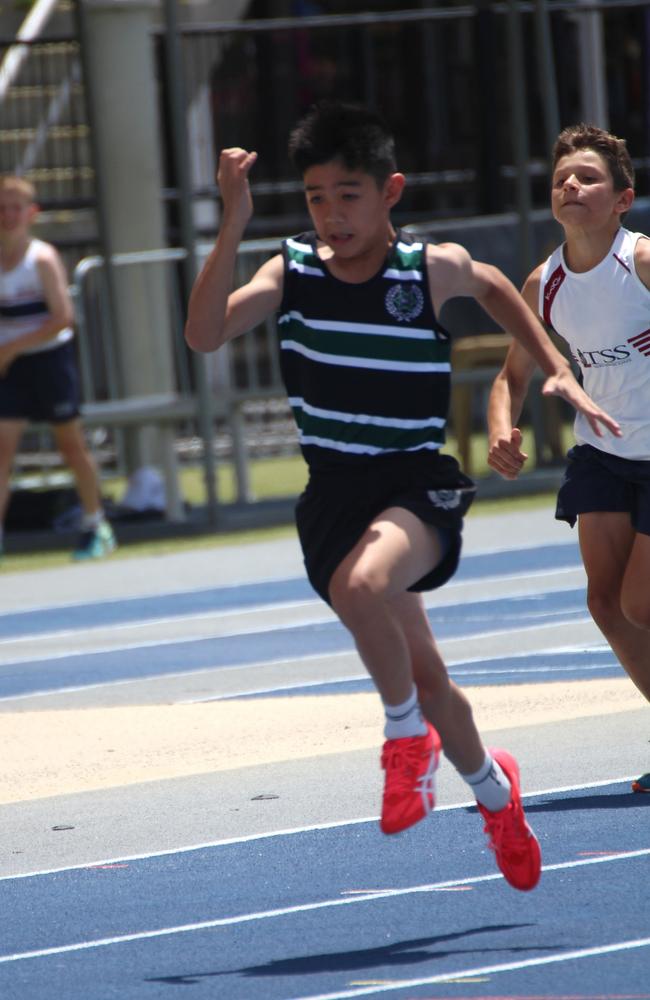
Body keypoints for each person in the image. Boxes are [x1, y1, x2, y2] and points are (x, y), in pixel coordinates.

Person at [185, 102, 615, 891]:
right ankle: (495, 794)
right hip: (333, 497)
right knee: (427, 675)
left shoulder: (428, 269)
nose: (331, 213)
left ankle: (402, 743)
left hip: (416, 483)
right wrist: (232, 223)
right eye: (316, 196)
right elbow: (205, 333)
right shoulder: (291, 272)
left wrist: (550, 361)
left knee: (363, 585)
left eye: (348, 194)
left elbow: (495, 288)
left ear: (391, 192)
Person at [487, 123, 650, 794]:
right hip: (604, 455)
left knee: (641, 603)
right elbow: (511, 378)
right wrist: (504, 429)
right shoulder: (544, 284)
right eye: (560, 180)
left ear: (622, 199)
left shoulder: (640, 262)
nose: (570, 187)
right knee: (606, 604)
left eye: (586, 178)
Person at [0, 174, 115, 561]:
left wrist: (13, 347)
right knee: (2, 450)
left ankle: (95, 522)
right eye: (1, 208)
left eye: (15, 207)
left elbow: (63, 318)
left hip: (49, 360)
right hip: (10, 367)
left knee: (71, 445)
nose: (8, 215)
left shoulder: (42, 259)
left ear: (31, 213)